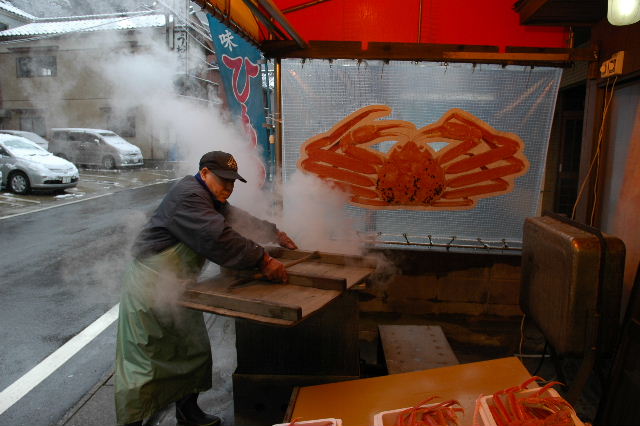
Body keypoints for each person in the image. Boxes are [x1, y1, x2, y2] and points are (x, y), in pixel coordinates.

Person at [114, 151, 297, 426]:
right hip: (150, 286)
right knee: (145, 360)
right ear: (204, 173)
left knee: (191, 349)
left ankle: (188, 412)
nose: (229, 187)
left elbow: (236, 220)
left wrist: (273, 232)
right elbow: (219, 237)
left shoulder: (210, 198)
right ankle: (134, 422)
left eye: (232, 182)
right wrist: (264, 260)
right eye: (223, 180)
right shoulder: (189, 197)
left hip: (179, 287)